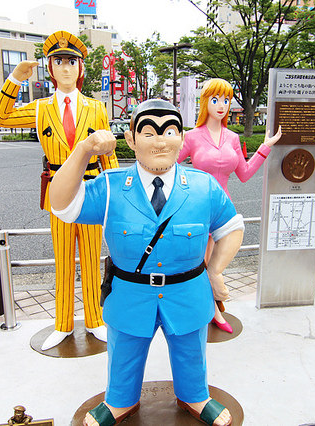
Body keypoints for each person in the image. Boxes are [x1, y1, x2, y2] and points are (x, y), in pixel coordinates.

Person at [49, 99, 242, 426]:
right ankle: (119, 400)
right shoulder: (110, 188)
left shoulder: (202, 186)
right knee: (124, 352)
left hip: (188, 291)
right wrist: (83, 151)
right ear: (131, 139)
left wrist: (216, 270)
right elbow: (62, 205)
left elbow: (231, 227)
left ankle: (195, 394)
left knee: (191, 352)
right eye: (149, 132)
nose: (161, 140)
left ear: (182, 137)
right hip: (130, 293)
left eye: (170, 131)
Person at [0, 30, 119, 349]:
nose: (65, 68)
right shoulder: (40, 109)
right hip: (58, 191)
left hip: (90, 191)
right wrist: (15, 79)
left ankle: (95, 320)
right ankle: (62, 323)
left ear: (80, 68)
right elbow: (0, 116)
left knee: (91, 257)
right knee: (62, 258)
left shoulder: (96, 108)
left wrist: (118, 195)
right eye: (58, 61)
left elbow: (109, 154)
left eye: (71, 62)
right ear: (49, 68)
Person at [177, 78, 282, 333]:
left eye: (226, 100)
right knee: (198, 262)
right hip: (198, 207)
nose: (222, 105)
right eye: (215, 100)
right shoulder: (191, 137)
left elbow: (244, 173)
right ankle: (209, 310)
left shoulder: (233, 138)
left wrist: (265, 148)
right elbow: (172, 166)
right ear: (205, 102)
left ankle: (213, 298)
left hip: (225, 209)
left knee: (215, 262)